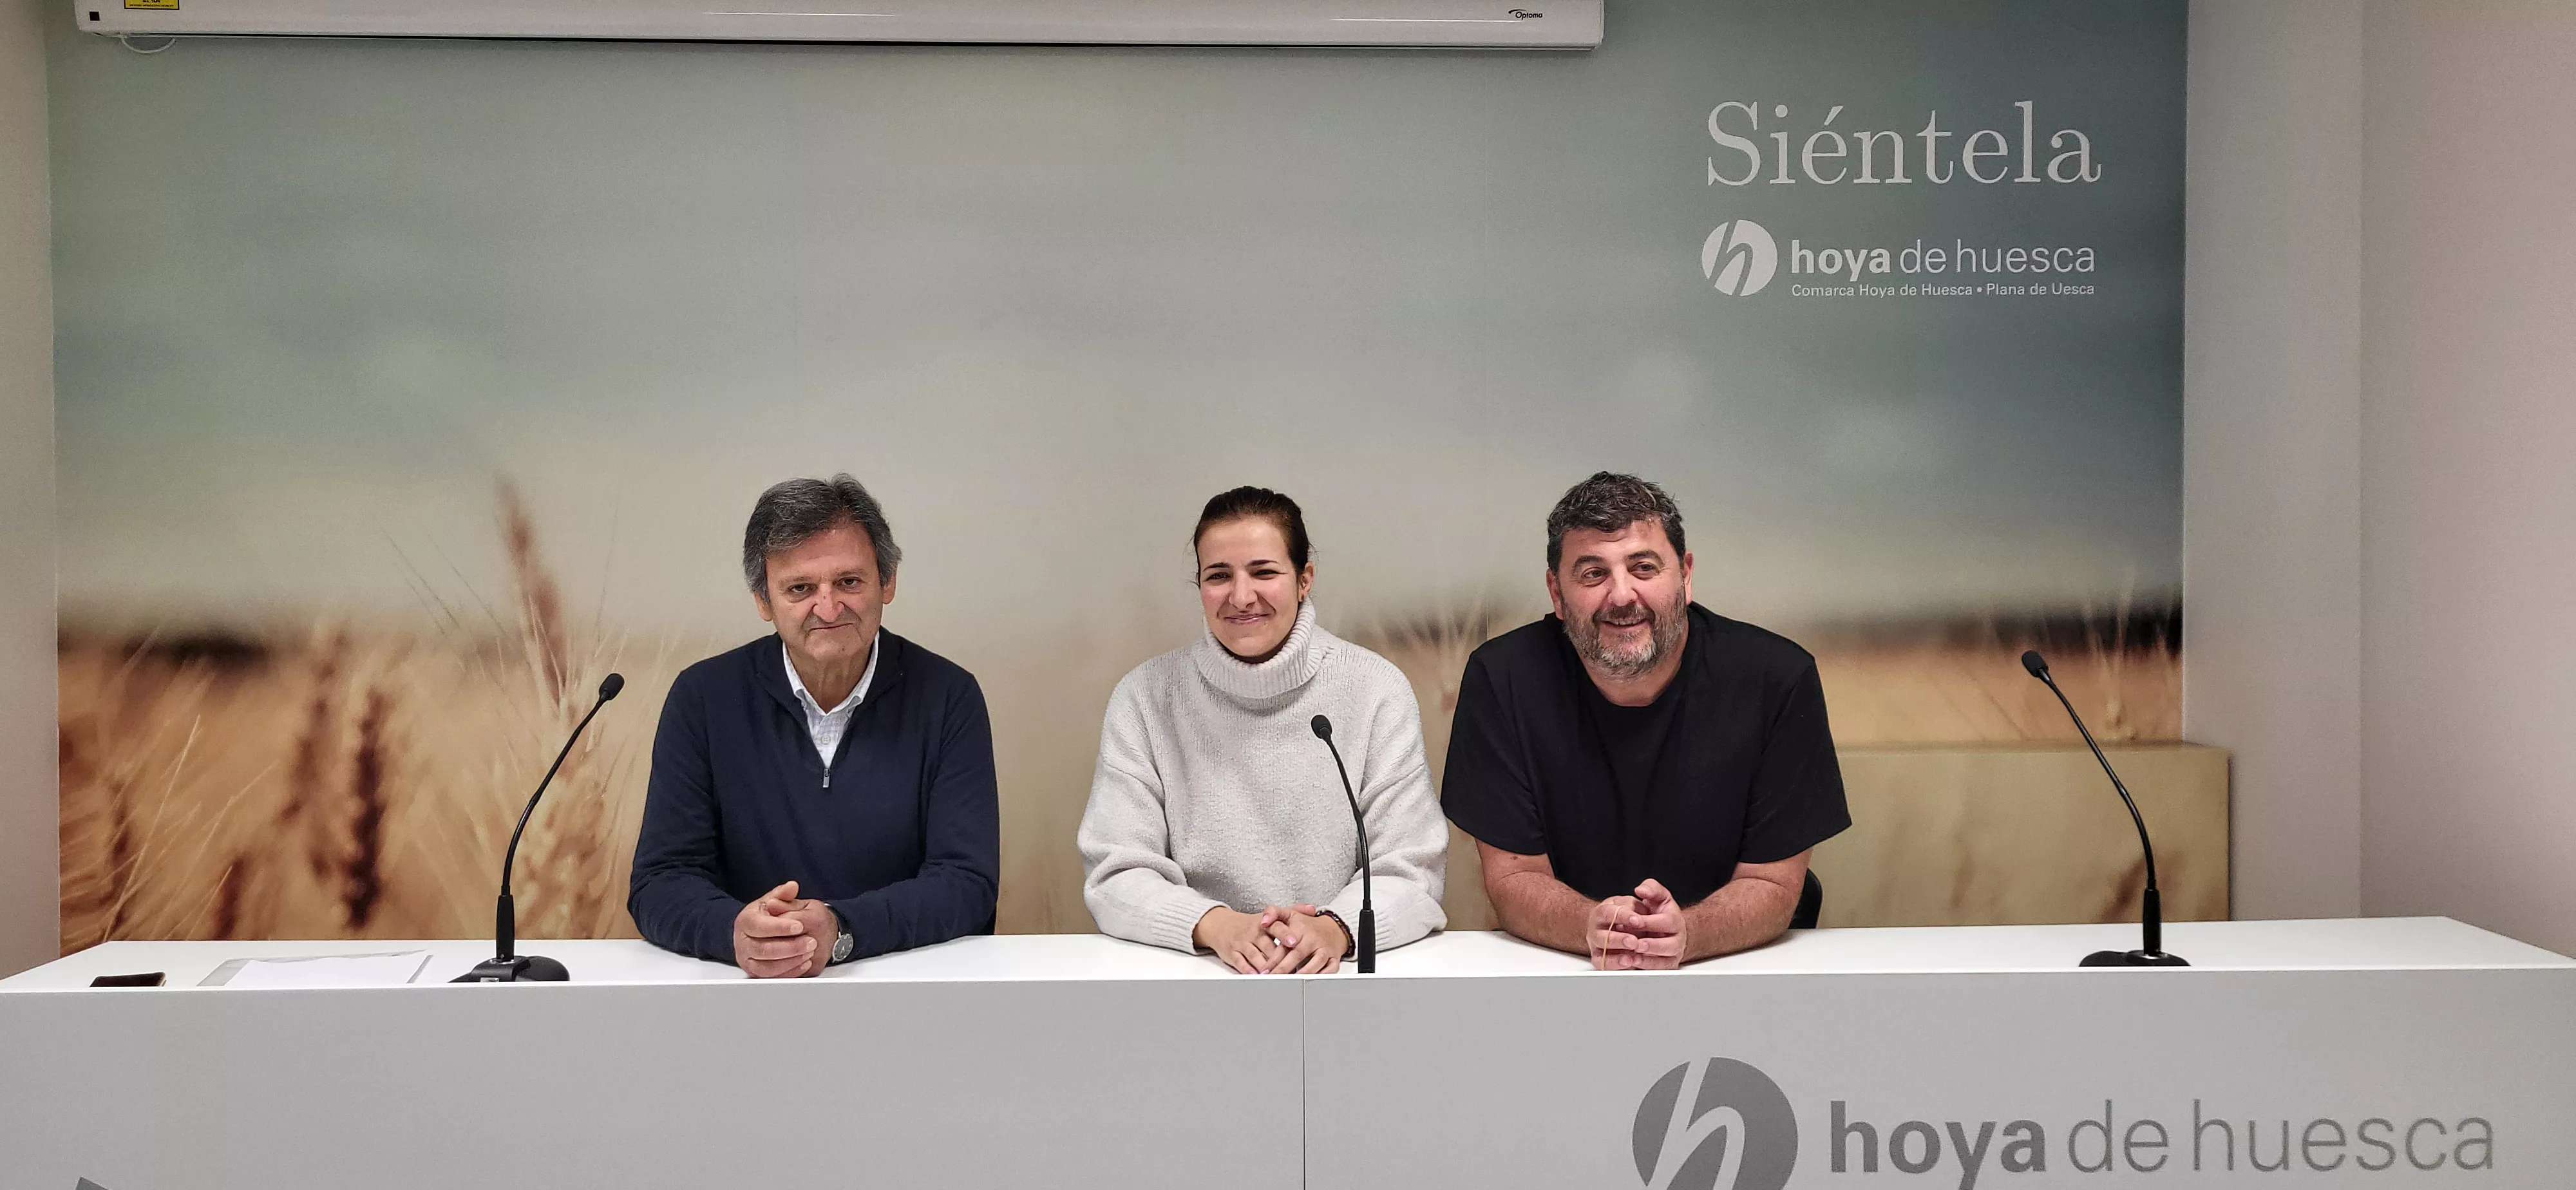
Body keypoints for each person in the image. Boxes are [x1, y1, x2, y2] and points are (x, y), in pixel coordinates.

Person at [1442, 472, 1850, 970]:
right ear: (1556, 590)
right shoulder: (1501, 678)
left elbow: (1772, 885)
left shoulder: (1777, 679)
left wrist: (1686, 935)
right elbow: (1512, 879)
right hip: (1566, 964)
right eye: (1592, 573)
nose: (1621, 595)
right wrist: (1596, 929)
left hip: (1739, 966)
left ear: (1686, 574)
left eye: (1644, 567)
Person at [629, 475, 999, 977]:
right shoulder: (702, 699)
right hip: (742, 993)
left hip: (907, 990)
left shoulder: (949, 697)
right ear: (764, 602)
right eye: (800, 588)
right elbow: (661, 879)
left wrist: (841, 930)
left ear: (887, 582)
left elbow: (967, 883)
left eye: (849, 582)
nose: (828, 608)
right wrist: (738, 933)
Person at [1079, 486, 1447, 974]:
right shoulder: (1145, 696)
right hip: (1196, 972)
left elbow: (1412, 865)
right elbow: (1115, 872)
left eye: (1264, 572)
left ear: (1304, 580)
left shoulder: (1376, 689)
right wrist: (1217, 925)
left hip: (1338, 976)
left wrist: (1334, 928)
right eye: (1219, 576)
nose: (1241, 596)